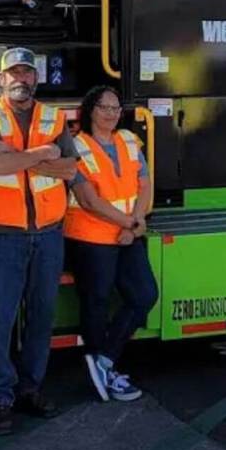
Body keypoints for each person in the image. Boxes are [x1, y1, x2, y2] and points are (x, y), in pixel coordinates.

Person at [0, 47, 78, 435]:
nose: (21, 78)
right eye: (13, 72)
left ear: (36, 78)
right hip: (5, 234)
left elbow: (69, 169)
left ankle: (30, 389)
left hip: (49, 233)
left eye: (27, 72)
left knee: (41, 316)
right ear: (1, 78)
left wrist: (19, 156)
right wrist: (43, 152)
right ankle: (0, 398)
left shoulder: (54, 116)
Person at [65, 85, 158, 402]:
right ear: (90, 110)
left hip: (127, 235)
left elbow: (144, 184)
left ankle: (102, 361)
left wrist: (137, 221)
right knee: (97, 302)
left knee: (145, 295)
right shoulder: (76, 146)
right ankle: (102, 369)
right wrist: (129, 223)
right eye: (104, 107)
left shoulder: (129, 140)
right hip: (91, 238)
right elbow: (88, 200)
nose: (111, 113)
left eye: (116, 108)